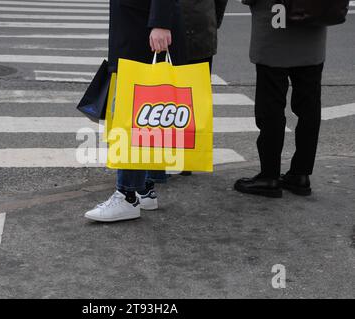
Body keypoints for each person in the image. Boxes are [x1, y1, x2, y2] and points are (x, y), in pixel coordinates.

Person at [84, 0, 187, 222]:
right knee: (146, 115)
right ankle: (144, 188)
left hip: (142, 28)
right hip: (139, 24)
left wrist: (160, 22)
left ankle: (127, 194)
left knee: (131, 115)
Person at [235, 0, 327, 198]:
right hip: (312, 27)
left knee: (271, 106)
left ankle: (269, 176)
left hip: (275, 27)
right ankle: (301, 173)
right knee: (309, 106)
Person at [148, 0, 229, 182]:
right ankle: (186, 159)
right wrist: (213, 20)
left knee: (163, 98)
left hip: (173, 27)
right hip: (201, 24)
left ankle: (161, 161)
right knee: (193, 98)